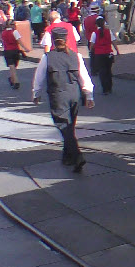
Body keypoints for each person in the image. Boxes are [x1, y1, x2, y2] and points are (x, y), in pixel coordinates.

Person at [32, 28, 95, 172]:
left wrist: (36, 94)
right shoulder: (76, 56)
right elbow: (84, 77)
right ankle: (67, 157)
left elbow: (39, 77)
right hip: (74, 94)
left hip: (58, 95)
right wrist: (89, 95)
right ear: (66, 40)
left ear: (53, 41)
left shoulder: (47, 57)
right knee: (70, 125)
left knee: (63, 126)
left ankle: (77, 155)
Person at [88, 16, 119, 95]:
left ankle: (105, 89)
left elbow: (92, 45)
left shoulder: (94, 33)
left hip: (99, 54)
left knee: (102, 71)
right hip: (108, 53)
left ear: (96, 25)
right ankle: (109, 87)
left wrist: (91, 51)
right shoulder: (109, 32)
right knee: (108, 70)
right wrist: (117, 50)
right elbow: (114, 42)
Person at [0, 20, 25, 89]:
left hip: (7, 51)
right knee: (13, 67)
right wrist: (25, 48)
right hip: (15, 50)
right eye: (12, 24)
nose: (14, 25)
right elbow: (19, 41)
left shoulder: (3, 33)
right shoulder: (15, 32)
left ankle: (12, 78)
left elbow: (2, 40)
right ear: (9, 25)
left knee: (12, 67)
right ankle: (16, 82)